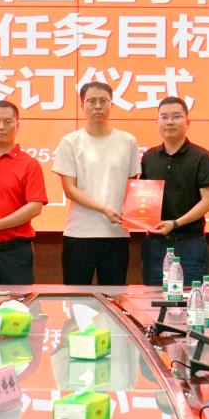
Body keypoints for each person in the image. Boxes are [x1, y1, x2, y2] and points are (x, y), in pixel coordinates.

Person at [52, 81, 140, 286]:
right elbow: (69, 189)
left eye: (103, 101)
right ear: (82, 106)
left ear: (112, 105)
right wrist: (103, 209)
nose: (98, 106)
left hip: (116, 233)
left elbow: (133, 187)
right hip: (79, 233)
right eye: (91, 101)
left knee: (113, 298)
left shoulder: (128, 141)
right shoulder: (70, 141)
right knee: (76, 298)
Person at [140, 97, 209, 286]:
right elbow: (142, 197)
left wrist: (175, 223)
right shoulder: (149, 157)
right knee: (153, 298)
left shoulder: (202, 156)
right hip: (155, 244)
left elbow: (208, 200)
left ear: (187, 122)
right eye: (164, 117)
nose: (170, 122)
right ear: (157, 122)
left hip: (190, 243)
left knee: (188, 298)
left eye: (176, 116)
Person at [0, 100, 47, 285]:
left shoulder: (30, 164)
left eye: (7, 122)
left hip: (16, 253)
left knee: (18, 303)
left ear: (17, 126)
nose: (1, 127)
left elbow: (35, 207)